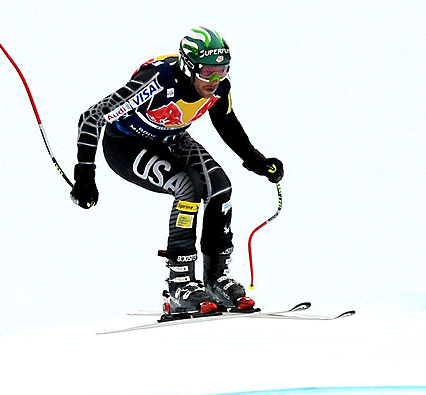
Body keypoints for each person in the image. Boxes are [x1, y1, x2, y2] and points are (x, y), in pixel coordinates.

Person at [69, 27, 283, 316]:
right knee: (188, 185)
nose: (215, 80)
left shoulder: (220, 87)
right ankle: (179, 285)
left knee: (220, 187)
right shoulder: (156, 81)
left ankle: (215, 280)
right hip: (127, 145)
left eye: (222, 71)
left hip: (173, 139)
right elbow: (92, 117)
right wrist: (85, 177)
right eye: (207, 72)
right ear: (188, 66)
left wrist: (257, 161)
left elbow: (226, 123)